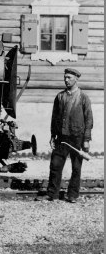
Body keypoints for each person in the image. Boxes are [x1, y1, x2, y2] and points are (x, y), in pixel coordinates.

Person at [36, 68, 93, 203]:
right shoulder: (60, 96)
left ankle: (72, 195)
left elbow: (89, 119)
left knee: (76, 168)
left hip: (77, 138)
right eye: (65, 77)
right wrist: (52, 135)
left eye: (69, 77)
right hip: (62, 138)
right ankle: (52, 194)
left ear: (76, 79)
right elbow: (54, 117)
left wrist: (86, 139)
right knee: (55, 165)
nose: (66, 80)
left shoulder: (83, 97)